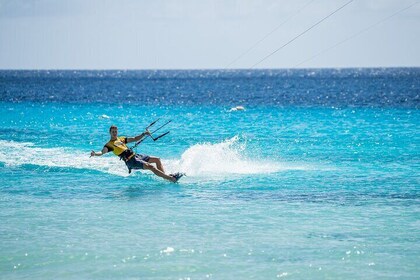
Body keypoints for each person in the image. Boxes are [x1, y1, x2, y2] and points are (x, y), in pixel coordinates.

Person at [90, 125, 182, 182]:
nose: (114, 133)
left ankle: (165, 177)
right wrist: (95, 154)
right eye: (113, 132)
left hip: (136, 156)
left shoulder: (121, 139)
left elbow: (134, 139)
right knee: (151, 167)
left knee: (157, 159)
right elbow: (102, 152)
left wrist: (143, 134)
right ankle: (171, 179)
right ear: (110, 133)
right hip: (131, 161)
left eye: (115, 131)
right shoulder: (109, 144)